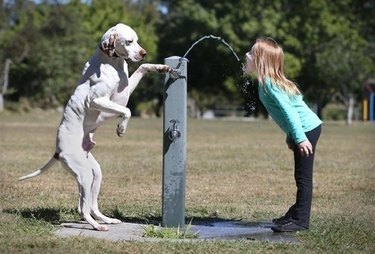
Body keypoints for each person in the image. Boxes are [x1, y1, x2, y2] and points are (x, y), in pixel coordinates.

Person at [243, 37, 322, 232]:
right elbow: (291, 109)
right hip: (304, 130)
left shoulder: (269, 84)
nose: (246, 55)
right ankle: (294, 214)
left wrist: (300, 137)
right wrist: (291, 136)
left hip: (306, 130)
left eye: (251, 53)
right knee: (300, 176)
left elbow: (290, 112)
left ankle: (300, 220)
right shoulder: (266, 83)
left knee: (303, 177)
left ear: (261, 61)